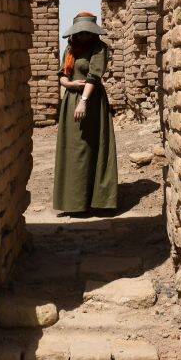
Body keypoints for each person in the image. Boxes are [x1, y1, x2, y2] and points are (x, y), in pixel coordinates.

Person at [53, 12, 118, 214]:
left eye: (86, 32)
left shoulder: (99, 48)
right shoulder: (71, 49)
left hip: (91, 103)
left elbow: (93, 77)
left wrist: (83, 101)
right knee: (73, 149)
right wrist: (71, 84)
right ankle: (73, 202)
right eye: (80, 32)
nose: (83, 35)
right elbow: (63, 76)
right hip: (71, 101)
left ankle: (96, 200)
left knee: (88, 147)